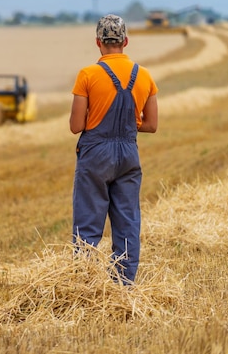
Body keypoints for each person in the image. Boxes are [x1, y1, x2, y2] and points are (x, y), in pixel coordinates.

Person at [69, 14, 158, 284]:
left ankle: (84, 284)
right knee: (128, 221)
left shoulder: (88, 75)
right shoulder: (144, 76)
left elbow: (75, 125)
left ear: (98, 42)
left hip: (95, 154)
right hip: (128, 155)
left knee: (88, 222)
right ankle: (123, 286)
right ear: (126, 41)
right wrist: (127, 128)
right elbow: (152, 125)